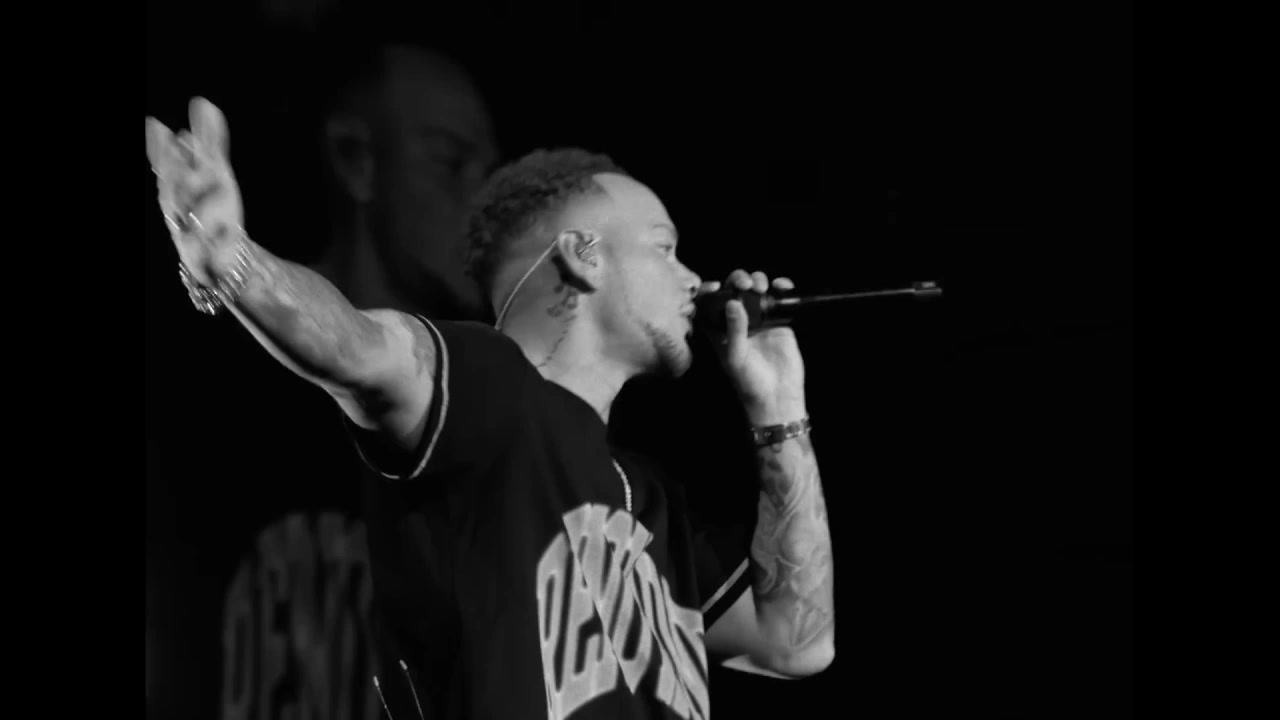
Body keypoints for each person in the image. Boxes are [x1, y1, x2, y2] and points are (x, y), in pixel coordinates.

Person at [146, 98, 835, 719]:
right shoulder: (488, 387)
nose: (694, 279)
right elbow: (358, 348)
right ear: (583, 256)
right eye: (665, 247)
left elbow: (798, 644)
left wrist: (779, 406)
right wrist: (235, 264)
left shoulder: (653, 501)